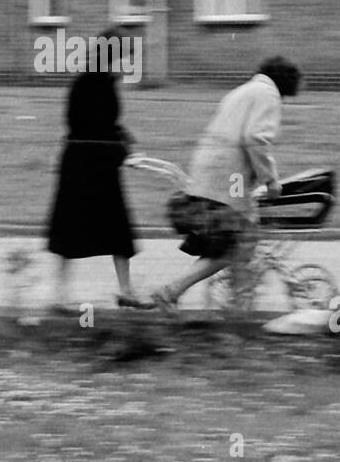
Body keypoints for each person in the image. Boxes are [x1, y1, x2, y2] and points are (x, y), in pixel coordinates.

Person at [151, 56, 301, 313]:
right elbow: (255, 138)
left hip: (206, 171)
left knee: (231, 240)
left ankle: (237, 306)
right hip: (229, 178)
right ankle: (180, 293)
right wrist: (271, 181)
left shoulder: (240, 91)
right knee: (242, 241)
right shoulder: (268, 95)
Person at [46, 28, 152, 310]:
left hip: (100, 165)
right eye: (125, 57)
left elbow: (107, 124)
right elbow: (88, 127)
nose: (128, 63)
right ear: (111, 55)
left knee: (118, 227)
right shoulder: (87, 84)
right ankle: (59, 296)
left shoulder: (103, 82)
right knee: (72, 229)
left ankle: (126, 291)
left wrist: (124, 140)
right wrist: (120, 148)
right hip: (82, 167)